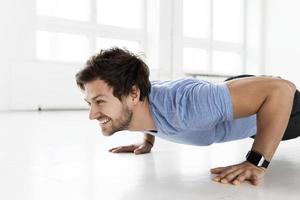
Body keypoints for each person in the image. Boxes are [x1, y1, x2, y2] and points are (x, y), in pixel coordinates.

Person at [75, 47, 300, 186]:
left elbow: (281, 90)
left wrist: (256, 163)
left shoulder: (187, 106)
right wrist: (147, 138)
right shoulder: (138, 104)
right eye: (89, 103)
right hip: (240, 106)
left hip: (285, 110)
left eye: (100, 102)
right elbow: (149, 106)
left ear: (133, 94)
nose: (92, 114)